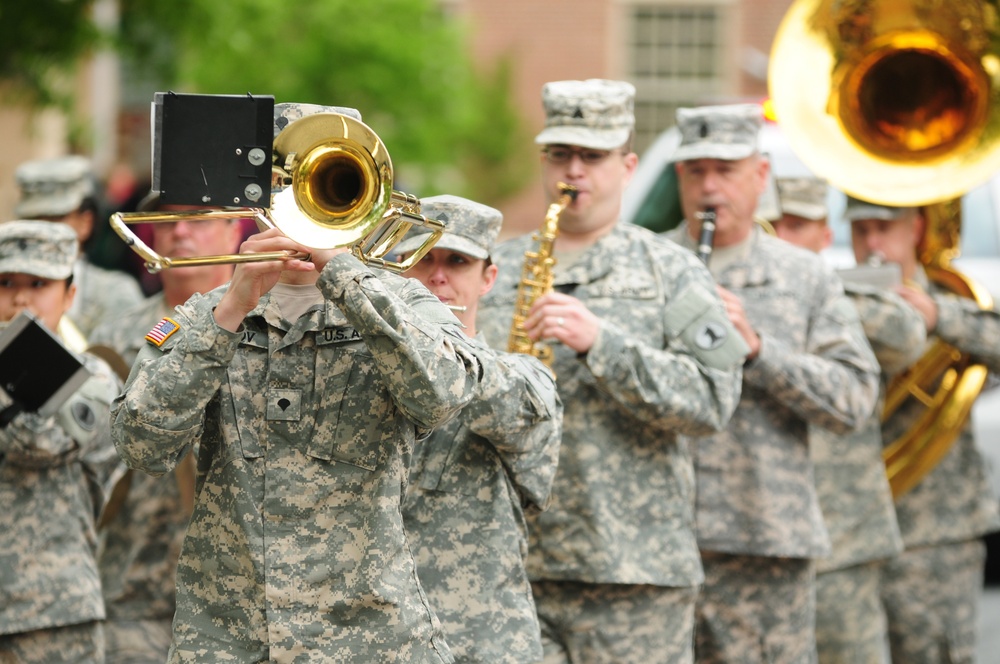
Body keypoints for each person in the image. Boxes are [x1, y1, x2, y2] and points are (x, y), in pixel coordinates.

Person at [110, 102, 491, 662]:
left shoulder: (405, 304)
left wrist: (345, 274)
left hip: (367, 640)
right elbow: (140, 444)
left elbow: (441, 398)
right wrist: (233, 307)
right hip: (228, 639)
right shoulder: (202, 317)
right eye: (280, 187)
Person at [476, 79, 747, 664]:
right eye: (559, 155)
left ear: (626, 166)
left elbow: (713, 399)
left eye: (592, 157)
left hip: (632, 573)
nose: (574, 171)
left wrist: (604, 344)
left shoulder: (672, 271)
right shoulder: (490, 269)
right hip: (506, 569)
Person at [665, 104, 880, 664]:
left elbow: (853, 399)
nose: (710, 186)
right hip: (656, 540)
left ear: (760, 175)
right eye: (696, 170)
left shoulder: (803, 275)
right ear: (678, 177)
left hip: (763, 544)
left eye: (726, 170)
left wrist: (759, 350)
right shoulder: (647, 263)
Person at [397, 194, 562, 663]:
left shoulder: (525, 376)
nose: (438, 276)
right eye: (422, 257)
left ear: (489, 277)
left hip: (481, 643)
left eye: (458, 261)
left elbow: (491, 396)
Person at [771, 177, 926, 663]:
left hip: (844, 536)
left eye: (797, 226)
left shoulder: (845, 295)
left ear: (824, 237)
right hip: (762, 538)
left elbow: (906, 334)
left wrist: (804, 292)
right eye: (774, 226)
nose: (782, 238)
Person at [844, 195, 1000, 664]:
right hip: (855, 528)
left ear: (914, 229)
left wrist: (939, 317)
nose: (872, 243)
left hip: (937, 531)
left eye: (884, 228)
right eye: (860, 229)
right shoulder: (835, 301)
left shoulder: (953, 297)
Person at [90, 193, 244, 664]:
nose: (180, 231)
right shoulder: (115, 337)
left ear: (235, 230)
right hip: (134, 583)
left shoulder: (268, 331)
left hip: (235, 594)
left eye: (198, 218)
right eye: (167, 220)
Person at [0, 220, 121, 663]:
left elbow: (38, 444)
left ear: (70, 295)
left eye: (39, 283)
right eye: (5, 282)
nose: (20, 298)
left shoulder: (92, 379)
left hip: (51, 614)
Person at [14, 155, 144, 339]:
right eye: (32, 221)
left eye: (55, 220)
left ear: (85, 222)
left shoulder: (116, 295)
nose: (41, 233)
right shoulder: (9, 296)